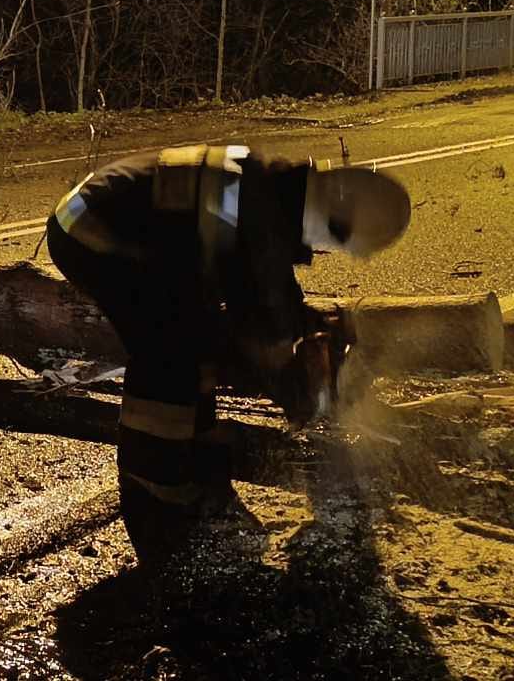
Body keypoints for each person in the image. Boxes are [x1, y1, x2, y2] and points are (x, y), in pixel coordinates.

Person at [42, 145, 411, 564]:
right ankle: (156, 493)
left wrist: (303, 323)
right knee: (170, 350)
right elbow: (261, 322)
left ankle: (197, 453)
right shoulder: (261, 217)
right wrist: (300, 389)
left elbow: (269, 283)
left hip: (125, 230)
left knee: (199, 335)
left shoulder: (269, 190)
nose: (331, 251)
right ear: (336, 219)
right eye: (342, 242)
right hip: (91, 236)